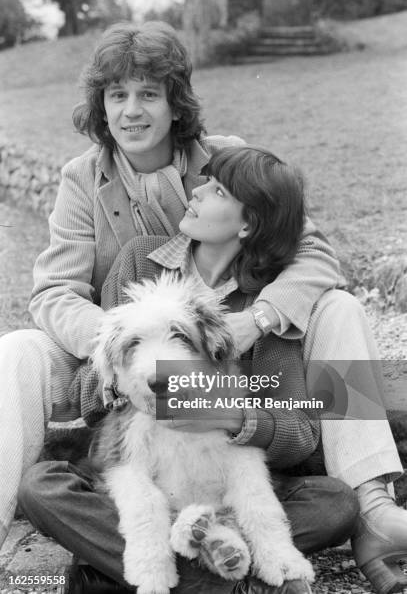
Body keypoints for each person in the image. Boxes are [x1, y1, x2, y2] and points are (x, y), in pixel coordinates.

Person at [0, 19, 405, 593]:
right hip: (112, 344)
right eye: (117, 96)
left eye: (148, 94)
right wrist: (118, 349)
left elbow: (310, 249)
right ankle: (201, 567)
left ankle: (369, 503)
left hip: (225, 355)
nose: (131, 111)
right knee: (17, 352)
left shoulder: (228, 161)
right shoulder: (88, 188)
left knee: (339, 309)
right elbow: (53, 293)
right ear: (101, 105)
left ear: (176, 106)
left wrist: (255, 320)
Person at [19, 145, 360, 594]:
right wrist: (123, 390)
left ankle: (137, 567)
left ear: (248, 223)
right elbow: (94, 386)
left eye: (216, 190)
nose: (195, 192)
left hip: (226, 478)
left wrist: (232, 416)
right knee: (42, 486)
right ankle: (224, 575)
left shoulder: (273, 303)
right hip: (148, 473)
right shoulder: (141, 259)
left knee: (336, 503)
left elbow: (299, 433)